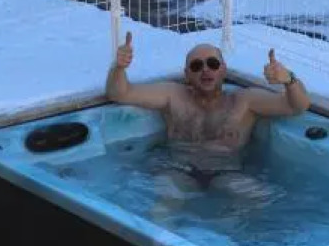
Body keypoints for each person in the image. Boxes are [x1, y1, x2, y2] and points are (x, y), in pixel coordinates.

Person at [105, 31, 311, 201]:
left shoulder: (244, 101)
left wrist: (289, 80)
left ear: (223, 69)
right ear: (187, 74)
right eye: (196, 66)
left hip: (228, 173)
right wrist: (119, 68)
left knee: (260, 200)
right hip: (178, 170)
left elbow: (297, 106)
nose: (205, 70)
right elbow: (120, 93)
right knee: (164, 207)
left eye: (212, 63)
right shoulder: (173, 95)